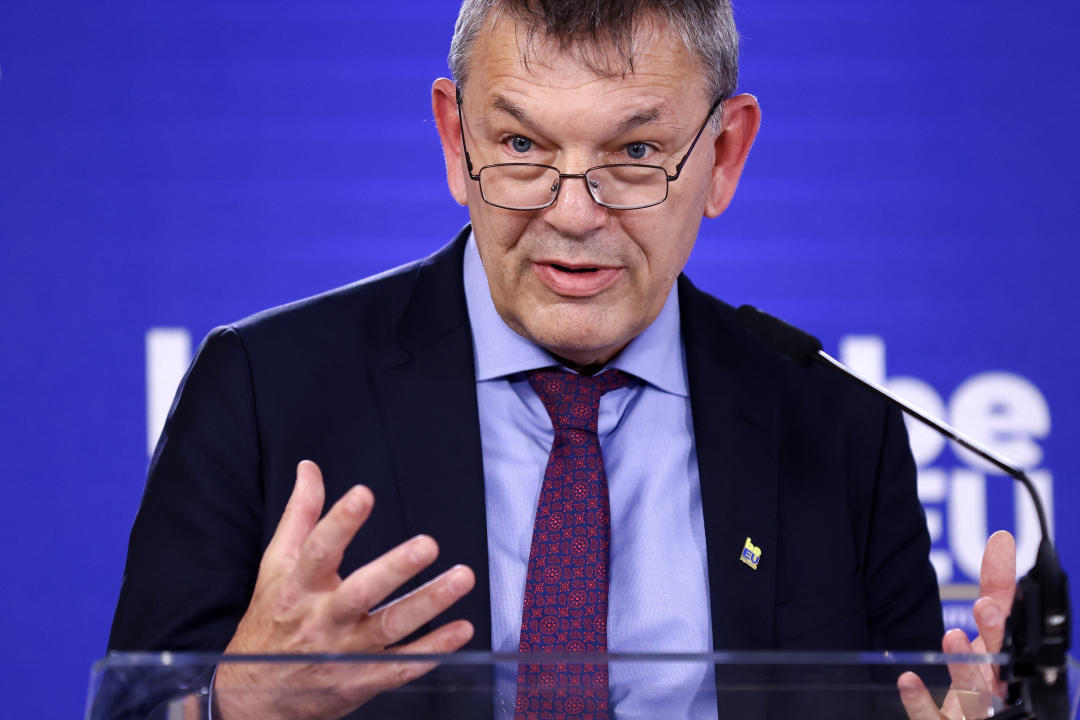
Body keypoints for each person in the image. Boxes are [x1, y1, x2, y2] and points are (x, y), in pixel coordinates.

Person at [107, 1, 1017, 718]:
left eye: (634, 153)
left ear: (725, 154)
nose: (573, 212)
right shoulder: (264, 391)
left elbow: (913, 710)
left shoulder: (838, 429)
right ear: (453, 140)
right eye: (521, 146)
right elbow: (132, 712)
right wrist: (236, 707)